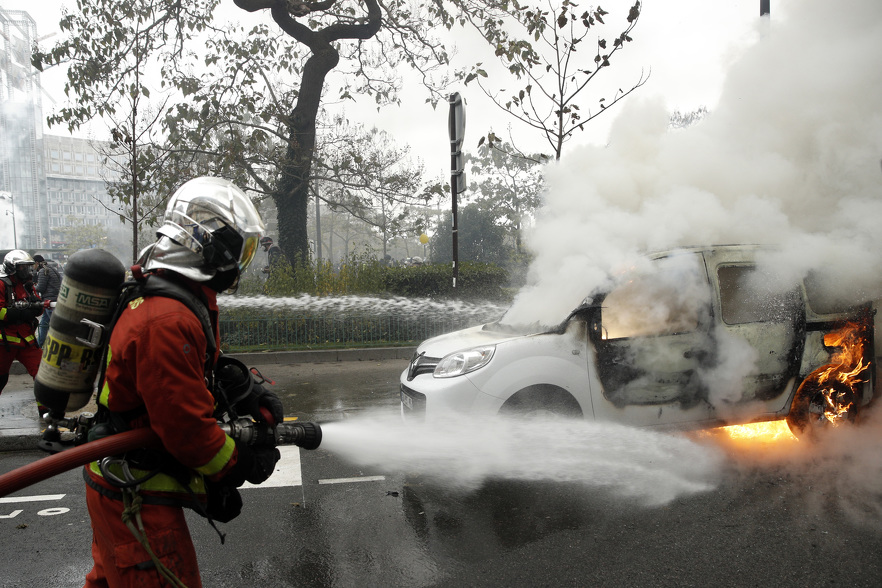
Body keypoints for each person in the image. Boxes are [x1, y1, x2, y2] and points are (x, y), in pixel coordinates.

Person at [83, 176, 283, 587]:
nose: (239, 265)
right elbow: (187, 432)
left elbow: (184, 377)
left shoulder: (173, 297)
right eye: (238, 251)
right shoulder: (166, 320)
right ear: (206, 246)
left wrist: (243, 389)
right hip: (137, 497)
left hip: (119, 486)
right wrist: (236, 466)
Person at [0, 250, 46, 398]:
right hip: (4, 341)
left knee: (43, 374)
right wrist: (19, 313)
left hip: (27, 339)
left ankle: (47, 412)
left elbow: (38, 307)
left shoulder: (27, 285)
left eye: (28, 266)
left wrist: (36, 306)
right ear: (11, 267)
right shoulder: (2, 284)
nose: (26, 270)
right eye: (22, 267)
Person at [32, 254, 62, 347]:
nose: (33, 267)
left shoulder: (42, 271)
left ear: (37, 263)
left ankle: (58, 344)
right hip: (54, 299)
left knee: (54, 325)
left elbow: (41, 287)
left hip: (49, 301)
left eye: (33, 264)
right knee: (44, 323)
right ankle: (40, 344)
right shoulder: (52, 269)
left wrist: (32, 287)